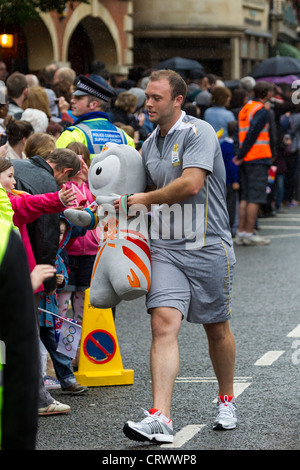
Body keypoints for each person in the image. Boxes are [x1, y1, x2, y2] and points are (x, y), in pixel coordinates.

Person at [122, 69, 237, 444]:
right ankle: (161, 418)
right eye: (146, 97)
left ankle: (226, 399)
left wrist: (144, 199)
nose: (147, 103)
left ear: (177, 101)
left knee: (216, 327)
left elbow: (190, 184)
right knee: (163, 323)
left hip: (206, 243)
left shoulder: (198, 131)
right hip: (167, 247)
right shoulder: (149, 143)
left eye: (155, 98)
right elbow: (135, 192)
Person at [12, 148, 81, 295]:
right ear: (66, 171)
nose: (65, 184)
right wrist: (48, 281)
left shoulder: (13, 165)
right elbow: (46, 238)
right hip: (23, 258)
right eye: (68, 179)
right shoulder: (50, 185)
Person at [38, 217, 88, 395]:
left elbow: (63, 277)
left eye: (61, 233)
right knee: (31, 349)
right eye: (54, 232)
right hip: (34, 309)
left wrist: (60, 281)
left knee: (58, 347)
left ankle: (67, 380)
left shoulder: (57, 256)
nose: (58, 237)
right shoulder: (35, 254)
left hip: (49, 310)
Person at [57, 141, 99, 325]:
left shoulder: (92, 187)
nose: (80, 167)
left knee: (83, 300)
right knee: (63, 301)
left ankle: (78, 346)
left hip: (90, 252)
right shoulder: (65, 187)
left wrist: (90, 178)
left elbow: (100, 201)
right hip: (70, 251)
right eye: (75, 162)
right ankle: (61, 345)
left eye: (82, 161)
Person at [233, 81, 274, 246]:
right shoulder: (261, 110)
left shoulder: (245, 109)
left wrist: (239, 154)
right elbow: (254, 133)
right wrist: (242, 154)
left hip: (246, 159)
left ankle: (241, 232)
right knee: (255, 197)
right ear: (268, 94)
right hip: (258, 157)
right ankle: (249, 233)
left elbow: (239, 133)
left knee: (245, 197)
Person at [56, 75, 135, 158]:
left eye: (78, 98)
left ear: (93, 104)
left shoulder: (73, 135)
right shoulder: (125, 137)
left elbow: (56, 167)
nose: (72, 101)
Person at [220, 121, 240, 236]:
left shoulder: (222, 144)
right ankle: (229, 229)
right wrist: (235, 180)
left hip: (222, 180)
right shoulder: (234, 146)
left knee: (223, 205)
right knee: (231, 207)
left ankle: (222, 228)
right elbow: (233, 165)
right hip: (230, 181)